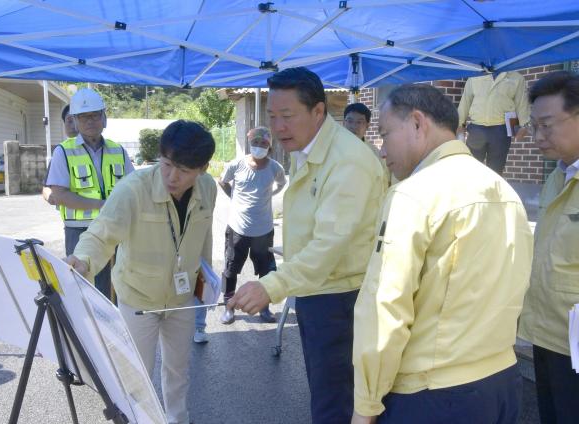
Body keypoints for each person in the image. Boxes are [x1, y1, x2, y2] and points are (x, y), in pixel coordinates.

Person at [352, 84, 533, 424]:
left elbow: (384, 312)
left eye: (386, 133)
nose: (381, 148)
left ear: (418, 123)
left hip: (434, 393)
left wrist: (365, 406)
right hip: (503, 380)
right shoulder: (505, 191)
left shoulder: (413, 194)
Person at [228, 67, 387, 423]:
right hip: (318, 289)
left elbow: (329, 244)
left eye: (287, 116)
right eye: (272, 116)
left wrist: (272, 285)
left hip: (341, 297)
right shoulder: (310, 147)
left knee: (337, 402)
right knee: (327, 392)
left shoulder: (348, 162)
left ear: (319, 111)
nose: (278, 127)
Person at [66, 120, 217, 424]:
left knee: (178, 370)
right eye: (167, 164)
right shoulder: (133, 189)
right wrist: (83, 261)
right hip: (137, 298)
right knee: (136, 375)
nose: (172, 177)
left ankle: (177, 419)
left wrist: (207, 280)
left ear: (202, 168)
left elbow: (204, 236)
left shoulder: (209, 188)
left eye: (184, 170)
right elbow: (101, 234)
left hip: (181, 296)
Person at [517, 71, 579, 424]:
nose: (537, 137)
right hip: (549, 334)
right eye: (533, 125)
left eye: (547, 125)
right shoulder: (558, 174)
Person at [45, 88, 134, 300]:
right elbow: (60, 195)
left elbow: (133, 188)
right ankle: (88, 333)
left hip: (114, 228)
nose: (90, 121)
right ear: (75, 120)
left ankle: (114, 331)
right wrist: (101, 205)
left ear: (104, 117)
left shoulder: (118, 150)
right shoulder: (63, 151)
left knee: (116, 285)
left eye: (94, 115)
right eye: (83, 117)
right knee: (82, 287)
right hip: (79, 231)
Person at [217, 126, 286, 325]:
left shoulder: (275, 168)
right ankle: (228, 307)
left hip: (263, 230)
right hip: (237, 228)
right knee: (231, 269)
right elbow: (223, 181)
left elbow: (281, 184)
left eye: (263, 143)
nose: (258, 146)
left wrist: (270, 196)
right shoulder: (236, 164)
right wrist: (233, 196)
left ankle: (264, 307)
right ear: (250, 143)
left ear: (269, 146)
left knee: (266, 270)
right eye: (255, 143)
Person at [457, 71, 530, 175]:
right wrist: (460, 123)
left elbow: (521, 102)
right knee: (471, 168)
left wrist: (524, 125)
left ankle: (492, 190)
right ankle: (472, 190)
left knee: (496, 169)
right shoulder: (475, 76)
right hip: (476, 128)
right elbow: (466, 99)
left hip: (501, 130)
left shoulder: (516, 78)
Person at [42, 104, 78, 205]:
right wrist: (51, 196)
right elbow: (46, 187)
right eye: (69, 121)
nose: (73, 125)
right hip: (73, 218)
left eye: (77, 120)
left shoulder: (109, 149)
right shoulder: (62, 151)